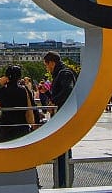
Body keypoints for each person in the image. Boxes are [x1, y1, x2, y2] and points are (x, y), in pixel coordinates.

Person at [44, 51, 76, 187]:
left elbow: (68, 91)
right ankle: (62, 181)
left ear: (51, 63)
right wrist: (47, 94)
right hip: (62, 116)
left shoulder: (64, 73)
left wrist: (53, 102)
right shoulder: (62, 73)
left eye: (46, 65)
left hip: (63, 117)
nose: (47, 68)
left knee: (62, 150)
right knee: (62, 150)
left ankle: (63, 181)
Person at [0, 65, 35, 143]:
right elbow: (33, 104)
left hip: (5, 126)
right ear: (19, 77)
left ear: (7, 77)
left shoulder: (2, 90)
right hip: (21, 125)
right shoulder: (24, 90)